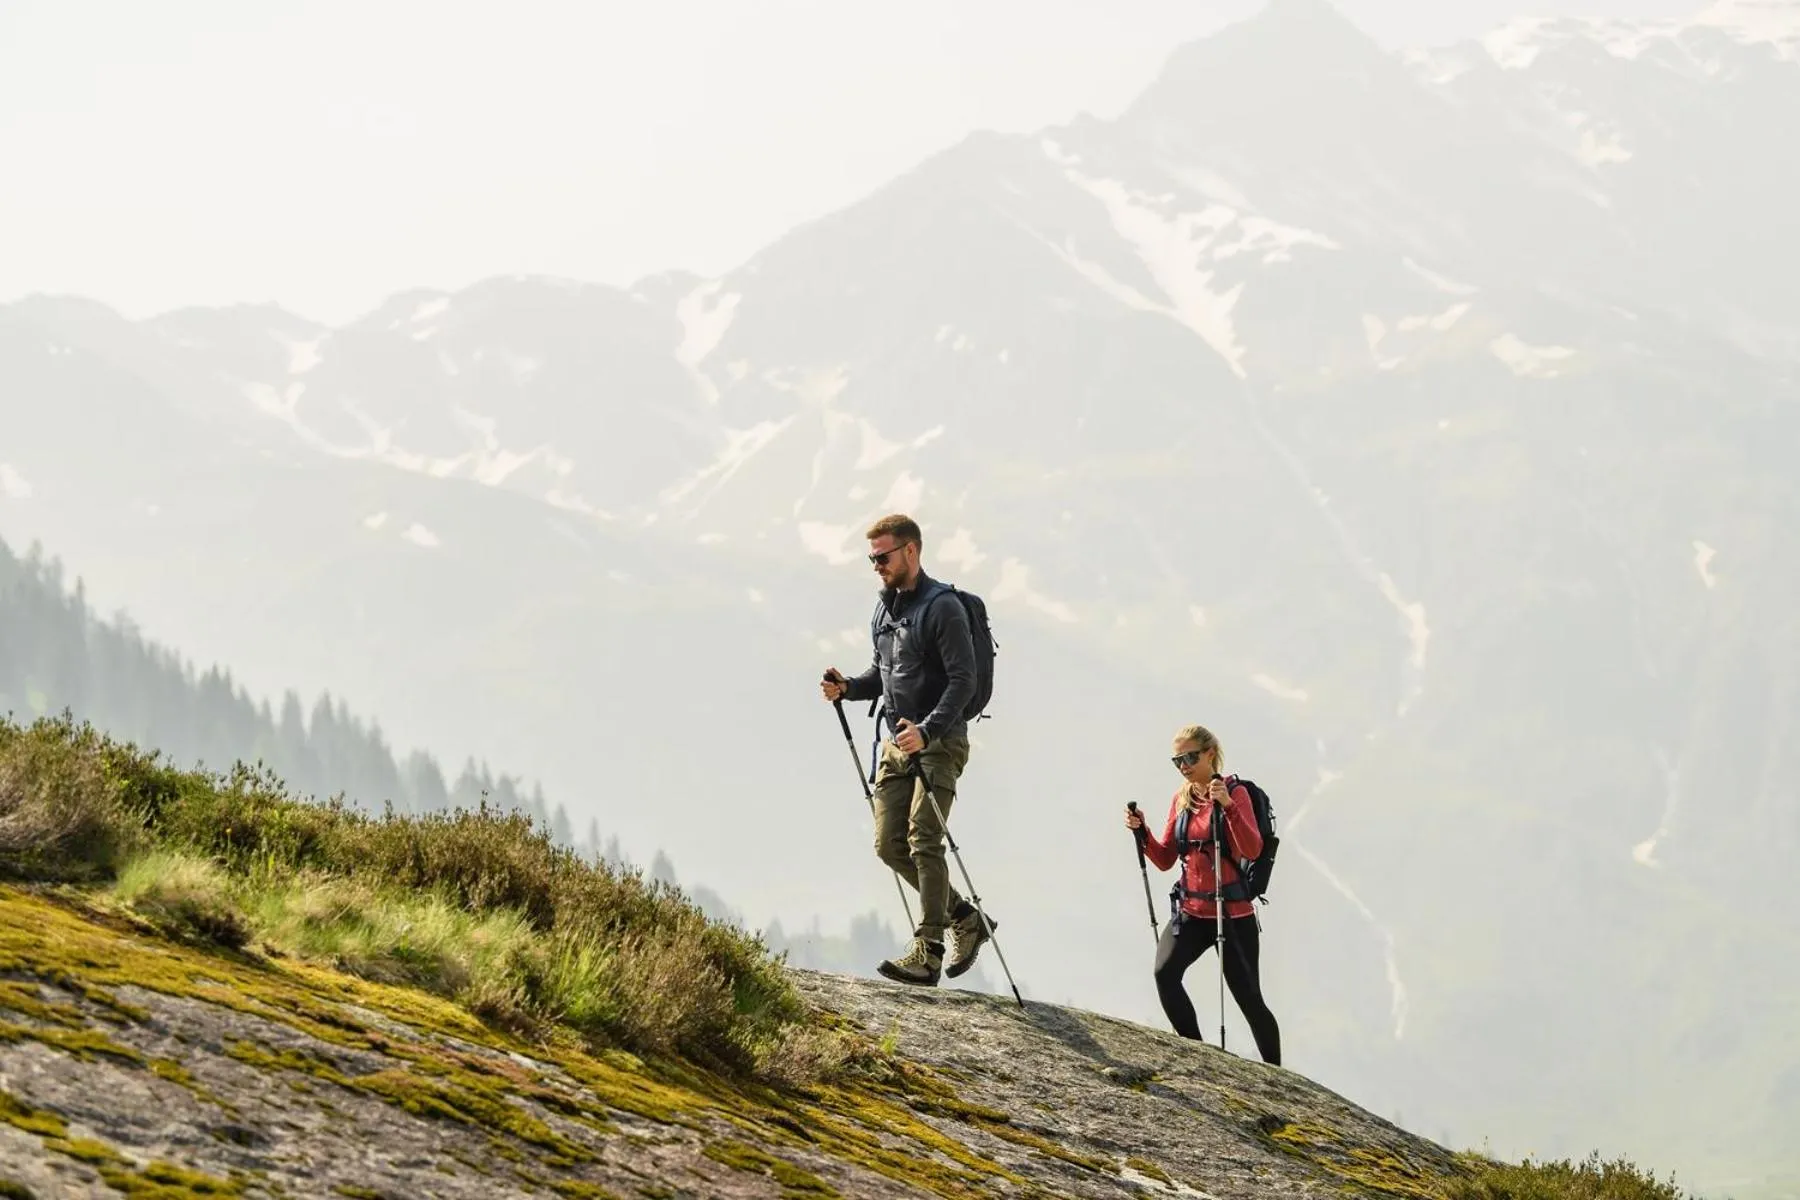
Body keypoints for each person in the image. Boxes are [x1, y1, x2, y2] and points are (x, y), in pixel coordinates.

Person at [820, 513, 993, 987]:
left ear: (911, 551)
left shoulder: (943, 608)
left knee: (923, 839)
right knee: (887, 845)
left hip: (939, 744)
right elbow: (884, 675)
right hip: (894, 745)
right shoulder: (885, 609)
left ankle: (929, 949)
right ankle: (965, 917)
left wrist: (929, 730)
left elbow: (964, 681)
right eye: (871, 557)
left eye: (883, 556)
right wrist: (848, 688)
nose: (876, 565)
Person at [1124, 724, 1282, 1065]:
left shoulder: (1234, 793)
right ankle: (1199, 1059)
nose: (1183, 765)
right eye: (1177, 759)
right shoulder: (1181, 800)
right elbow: (1166, 858)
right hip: (1192, 912)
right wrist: (1143, 832)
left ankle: (1278, 1075)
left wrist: (1228, 806)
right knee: (1165, 974)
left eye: (1190, 756)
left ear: (1210, 753)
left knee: (1249, 999)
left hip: (1233, 914)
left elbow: (1252, 849)